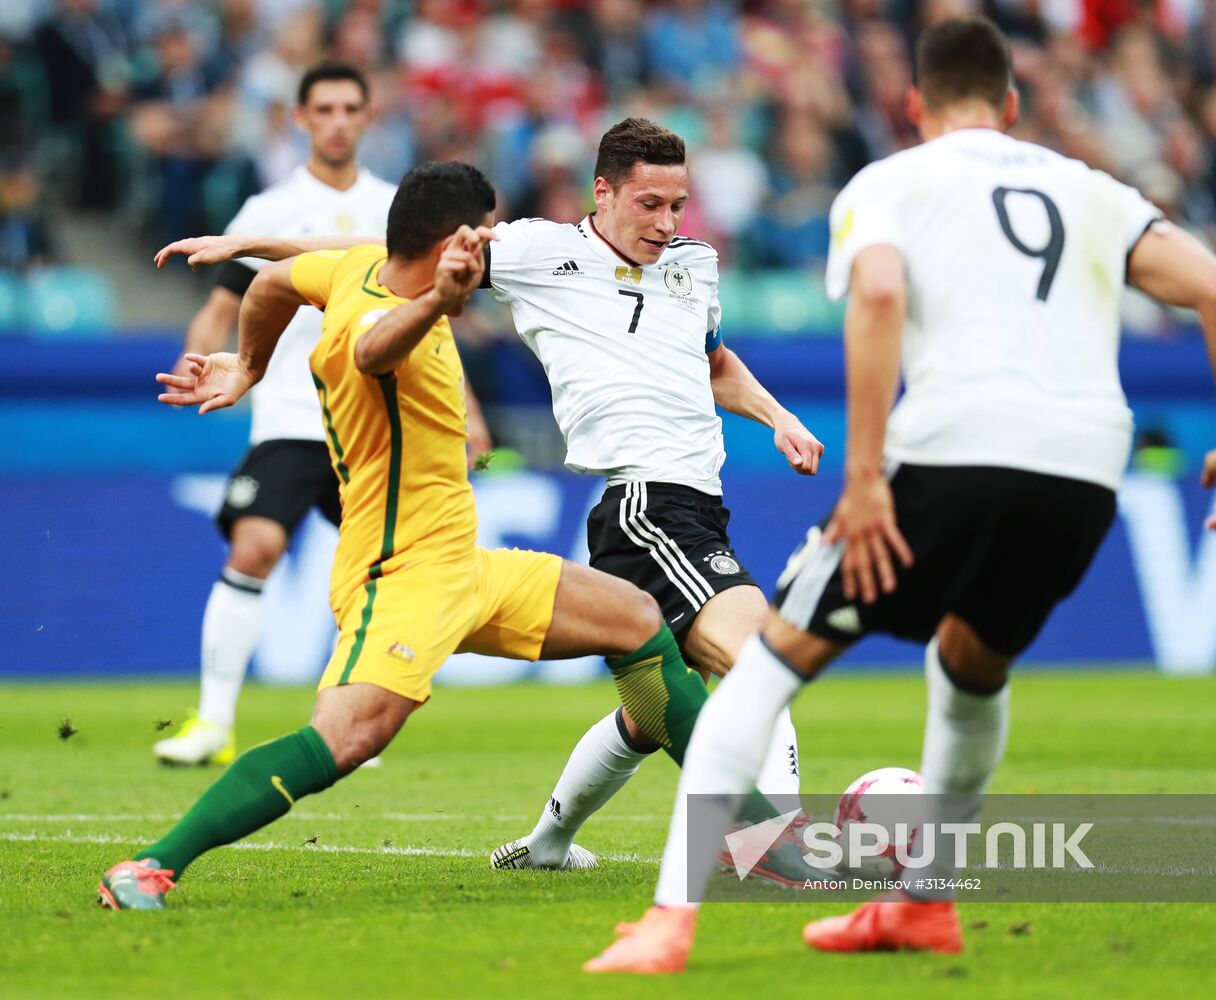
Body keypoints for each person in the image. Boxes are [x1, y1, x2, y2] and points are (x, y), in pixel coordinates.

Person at [585, 16, 1216, 974]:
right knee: (969, 668)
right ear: (1014, 104)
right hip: (1079, 475)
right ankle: (922, 907)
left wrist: (864, 477)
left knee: (770, 666)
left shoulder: (891, 183)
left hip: (950, 454)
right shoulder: (1090, 191)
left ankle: (667, 923)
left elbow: (875, 300)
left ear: (913, 104)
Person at [99, 162, 788, 911]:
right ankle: (151, 865)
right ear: (453, 240)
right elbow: (370, 352)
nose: (491, 241)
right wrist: (439, 300)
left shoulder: (355, 264)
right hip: (398, 574)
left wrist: (251, 365)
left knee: (635, 620)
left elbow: (275, 283)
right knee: (346, 740)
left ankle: (757, 835)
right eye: (483, 231)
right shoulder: (378, 319)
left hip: (463, 563)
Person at [478, 117, 824, 871]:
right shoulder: (541, 252)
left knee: (648, 716)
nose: (667, 224)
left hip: (698, 506)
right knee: (763, 661)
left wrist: (778, 417)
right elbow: (398, 258)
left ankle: (547, 843)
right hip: (642, 506)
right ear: (601, 192)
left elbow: (715, 361)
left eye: (678, 204)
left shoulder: (693, 264)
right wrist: (266, 258)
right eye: (648, 205)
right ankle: (786, 846)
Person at [154, 62, 401, 766]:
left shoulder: (396, 210)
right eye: (322, 109)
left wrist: (468, 409)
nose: (337, 121)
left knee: (380, 575)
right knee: (254, 546)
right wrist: (199, 357)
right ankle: (212, 723)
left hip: (372, 425)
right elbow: (225, 302)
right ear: (299, 118)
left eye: (349, 108)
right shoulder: (266, 211)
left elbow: (428, 318)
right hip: (292, 417)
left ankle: (358, 721)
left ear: (366, 117)